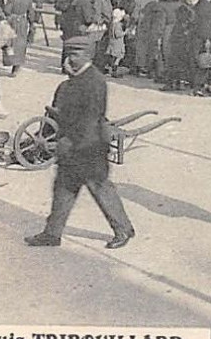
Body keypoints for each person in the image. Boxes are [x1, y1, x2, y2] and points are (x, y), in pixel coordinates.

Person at [24, 36, 135, 250]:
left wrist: (67, 143)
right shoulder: (74, 80)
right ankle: (52, 234)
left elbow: (89, 121)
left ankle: (123, 229)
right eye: (68, 54)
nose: (69, 59)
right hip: (74, 148)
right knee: (63, 190)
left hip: (89, 148)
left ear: (87, 55)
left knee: (101, 189)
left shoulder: (94, 82)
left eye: (74, 54)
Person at [161, 0, 196, 91]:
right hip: (185, 37)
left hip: (175, 35)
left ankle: (170, 82)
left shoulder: (175, 8)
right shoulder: (189, 10)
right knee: (182, 61)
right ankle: (180, 83)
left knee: (172, 60)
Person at [5, 0, 36, 76]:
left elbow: (7, 10)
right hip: (23, 21)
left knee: (10, 43)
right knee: (21, 43)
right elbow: (31, 12)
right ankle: (17, 66)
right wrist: (32, 22)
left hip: (12, 20)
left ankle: (10, 61)